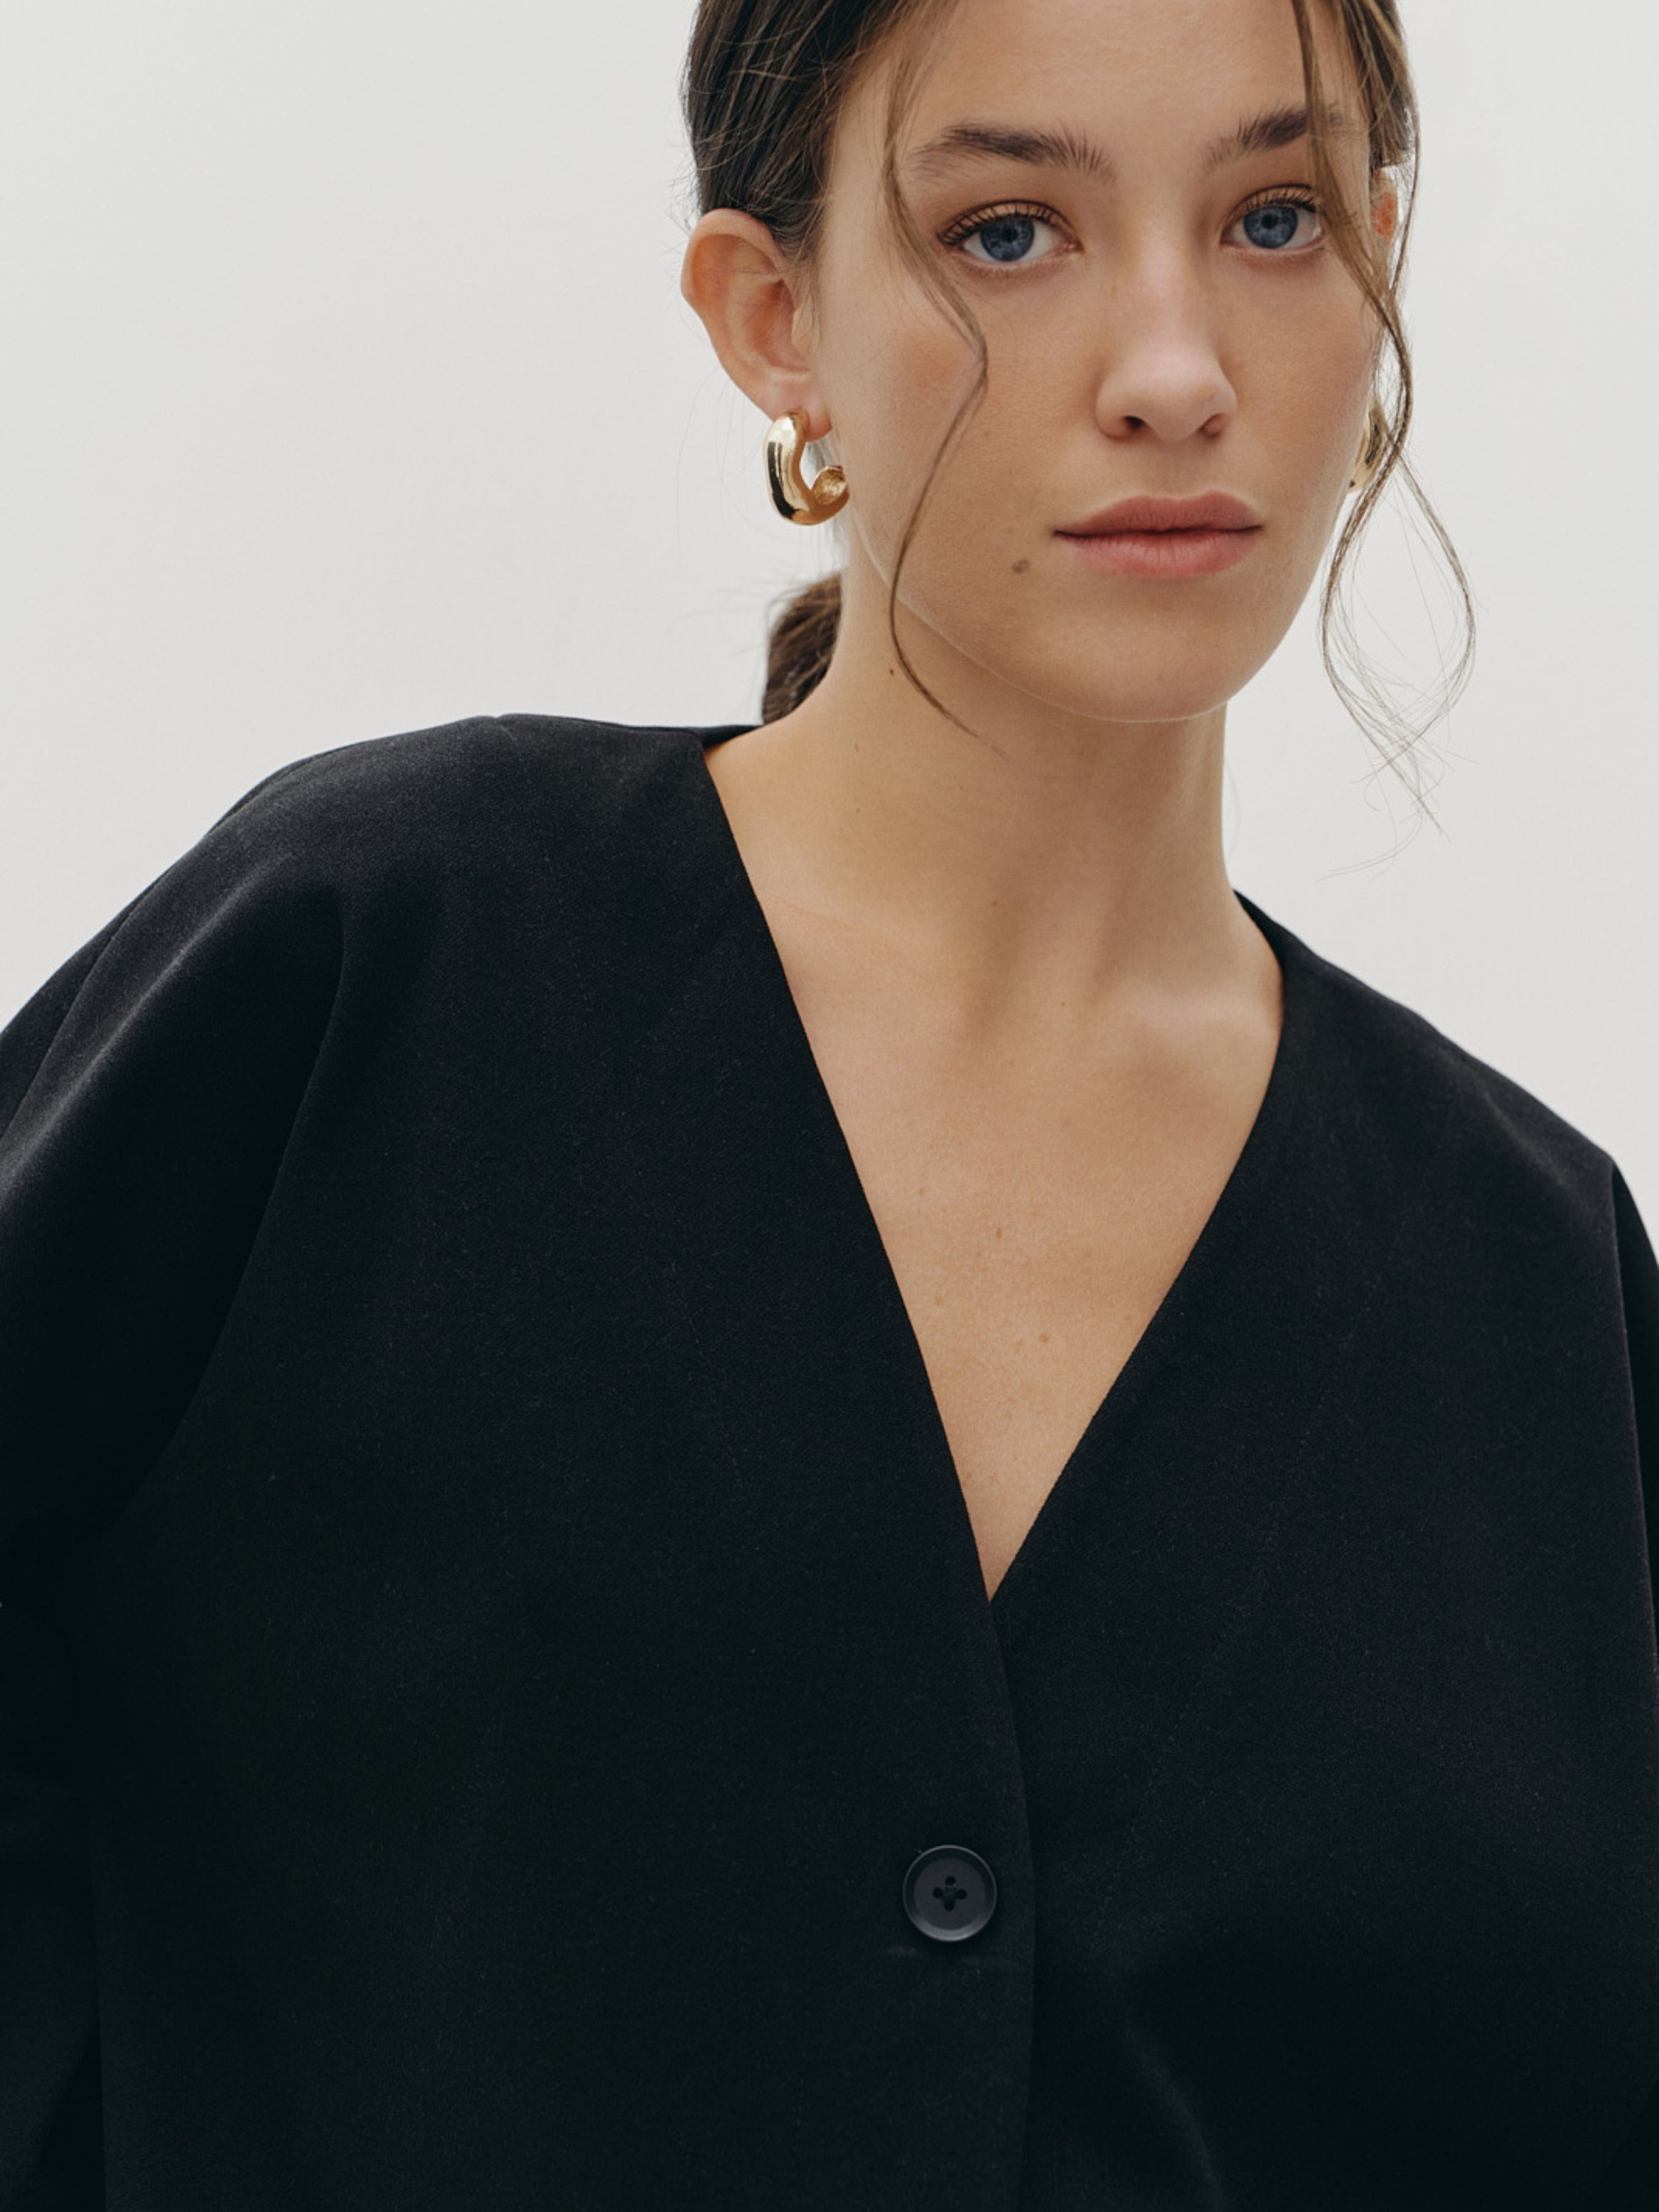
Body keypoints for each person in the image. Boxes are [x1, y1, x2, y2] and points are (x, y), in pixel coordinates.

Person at [1, 0, 1655, 2204]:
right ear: (771, 321)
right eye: (1006, 231)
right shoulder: (370, 973)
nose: (1174, 368)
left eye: (1274, 219)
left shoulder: (1530, 1284)